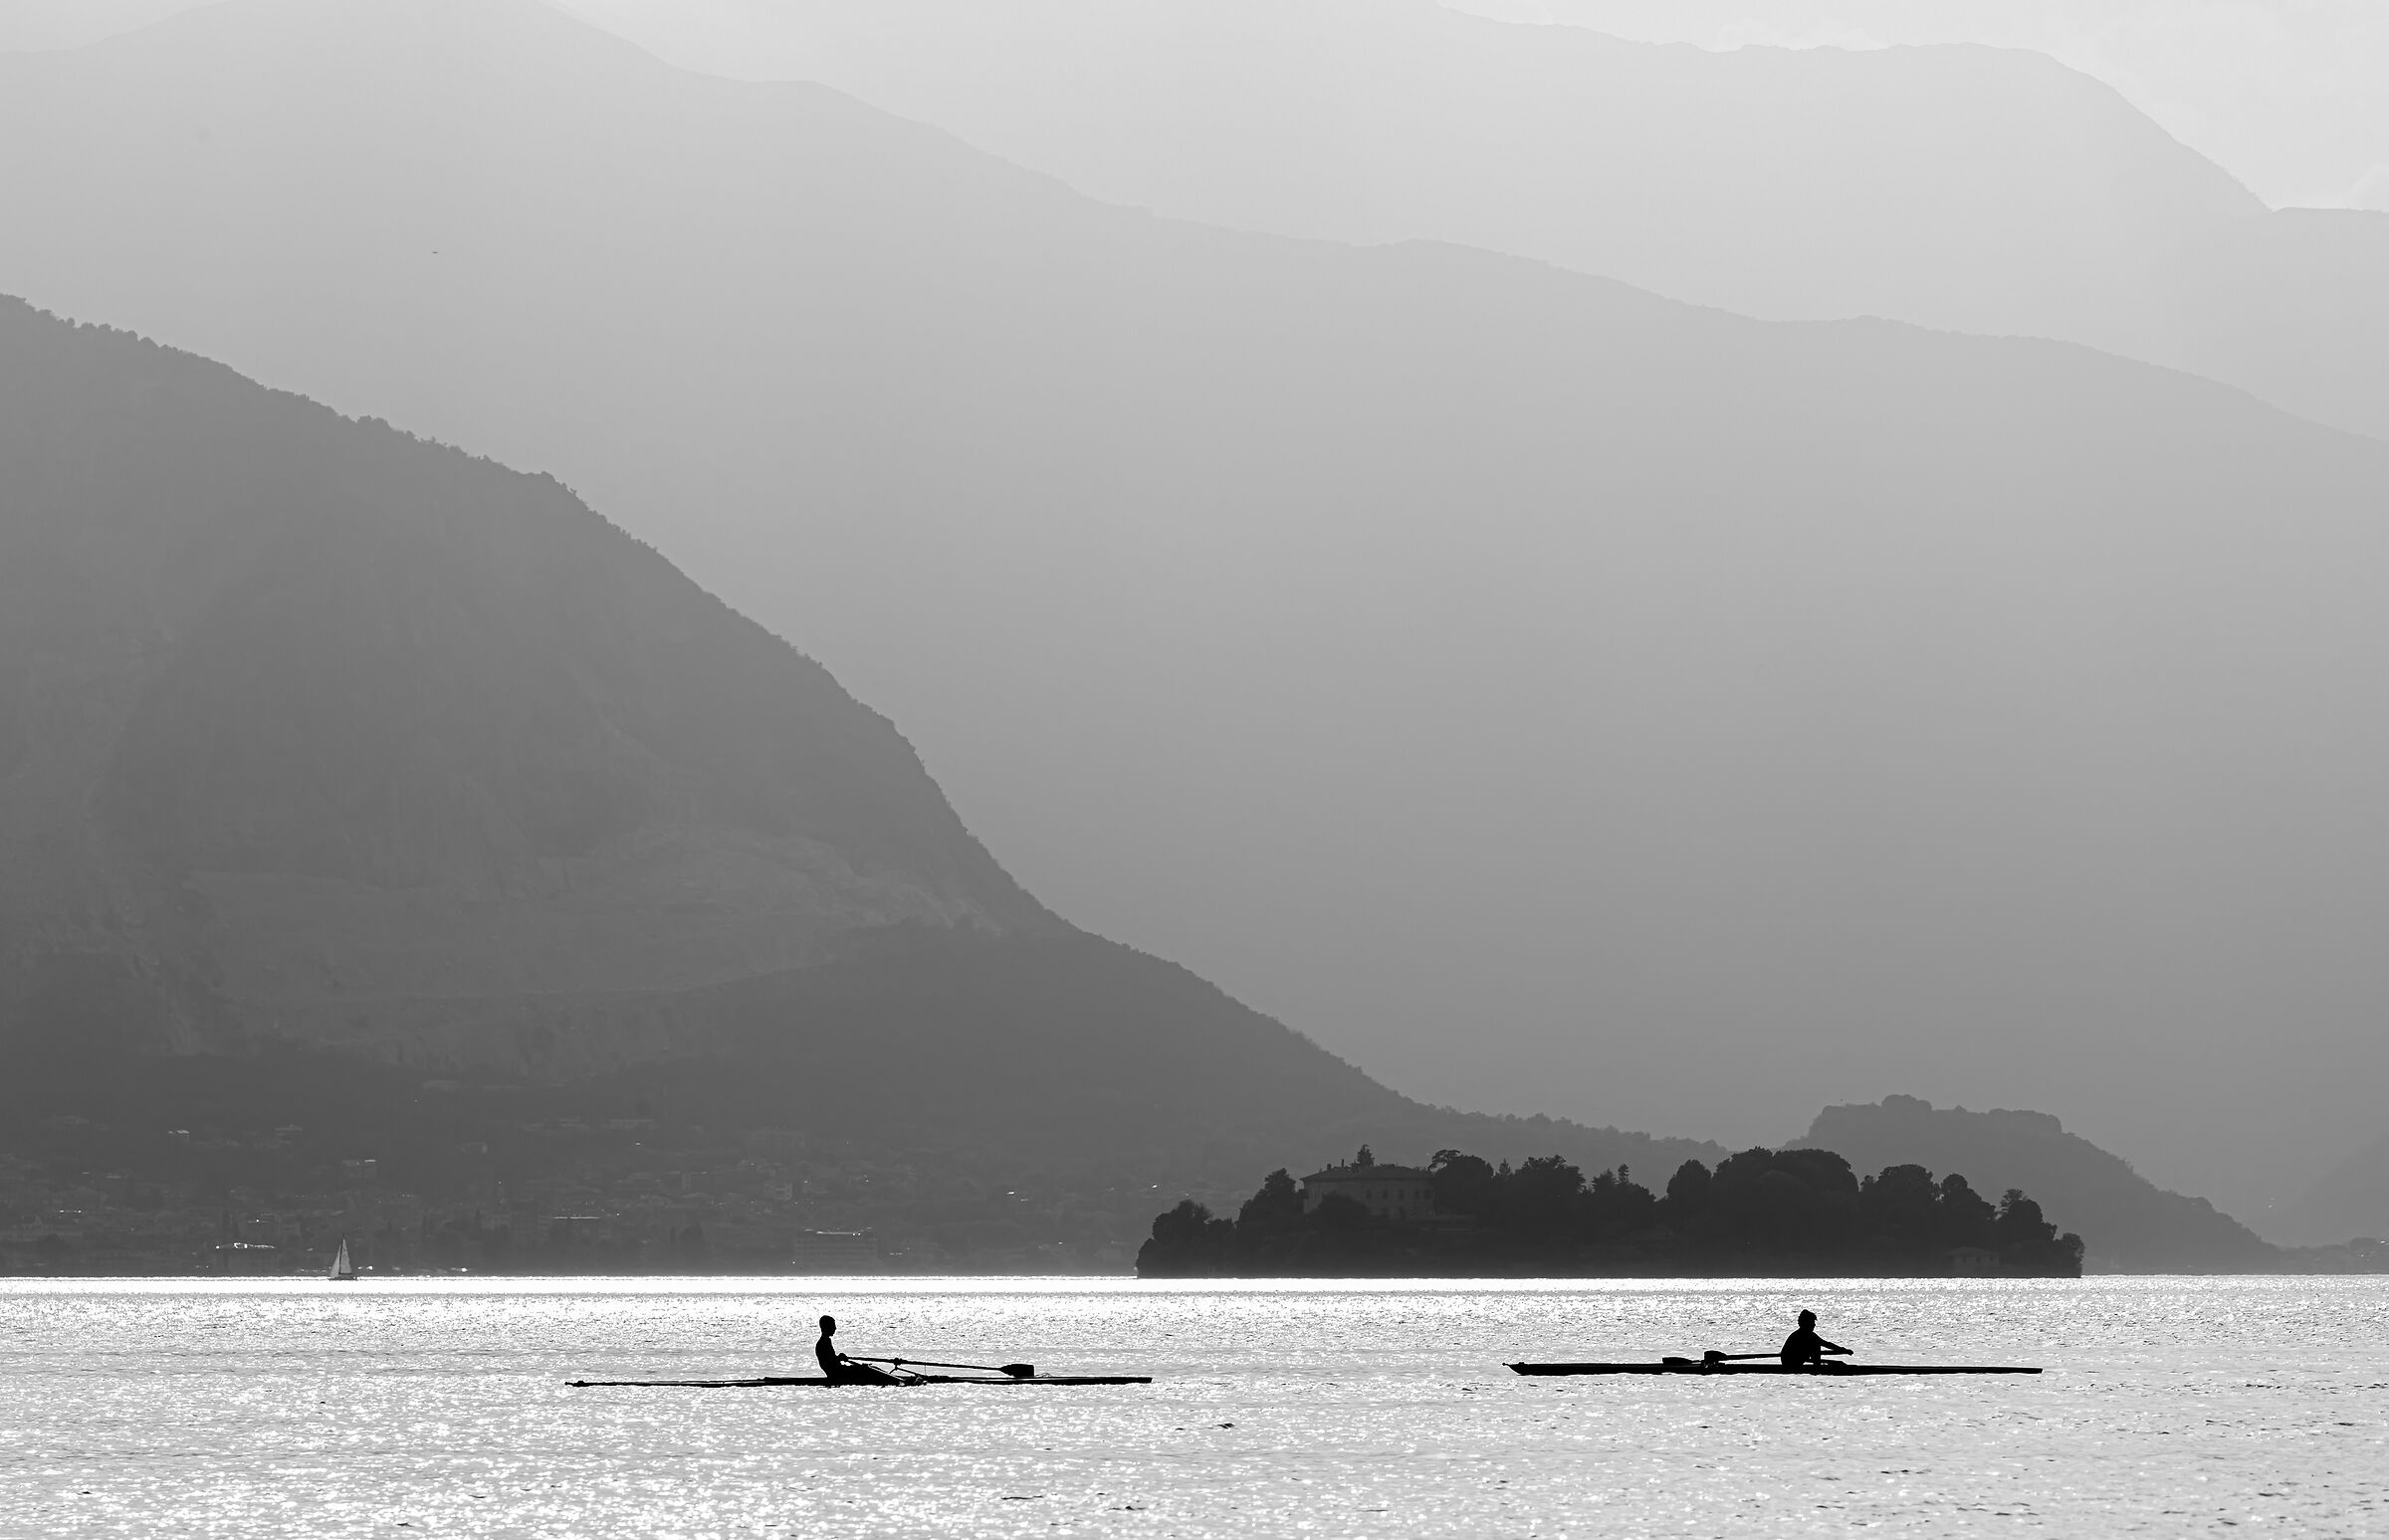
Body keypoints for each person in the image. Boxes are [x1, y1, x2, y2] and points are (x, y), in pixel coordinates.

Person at [814, 1314, 903, 1385]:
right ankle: (896, 1380)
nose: (835, 1328)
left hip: (839, 1372)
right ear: (826, 1327)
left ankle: (894, 1379)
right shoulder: (823, 1343)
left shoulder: (825, 1341)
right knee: (868, 1369)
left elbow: (831, 1361)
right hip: (838, 1375)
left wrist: (839, 1358)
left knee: (870, 1368)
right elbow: (829, 1362)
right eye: (833, 1326)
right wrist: (839, 1358)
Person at [1779, 1309, 1848, 1369]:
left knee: (1815, 1344)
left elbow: (1826, 1344)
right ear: (1807, 1323)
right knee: (1816, 1345)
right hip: (1791, 1363)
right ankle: (1817, 1368)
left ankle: (1817, 1366)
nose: (1814, 1325)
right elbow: (1826, 1344)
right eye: (1812, 1322)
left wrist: (1842, 1350)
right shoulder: (1804, 1334)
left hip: (1789, 1361)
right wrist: (1842, 1350)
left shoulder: (1802, 1333)